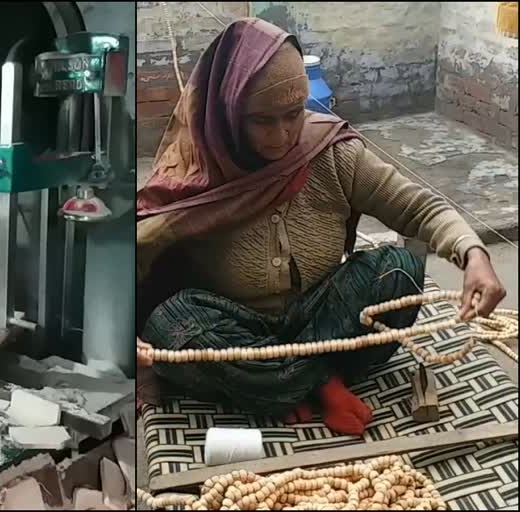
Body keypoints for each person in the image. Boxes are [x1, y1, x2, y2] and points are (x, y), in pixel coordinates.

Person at [135, 19, 506, 436]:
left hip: (324, 318)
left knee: (398, 269)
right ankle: (320, 383)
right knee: (170, 325)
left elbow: (417, 207)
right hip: (236, 328)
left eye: (294, 114)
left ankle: (277, 387)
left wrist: (474, 255)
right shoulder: (192, 174)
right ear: (228, 111)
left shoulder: (330, 152)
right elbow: (135, 259)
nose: (282, 135)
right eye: (262, 121)